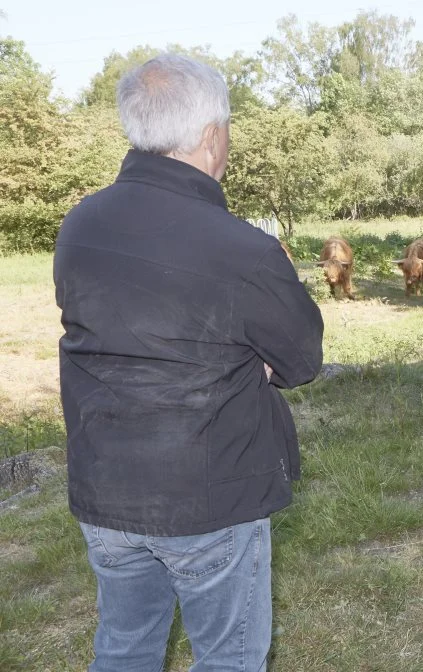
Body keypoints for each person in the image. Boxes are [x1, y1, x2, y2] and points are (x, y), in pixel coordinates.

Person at [54, 54, 324, 672]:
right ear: (211, 135)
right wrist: (252, 363)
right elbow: (302, 356)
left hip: (106, 488)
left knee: (125, 647)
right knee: (228, 657)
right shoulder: (242, 249)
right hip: (210, 496)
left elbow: (111, 332)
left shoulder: (79, 226)